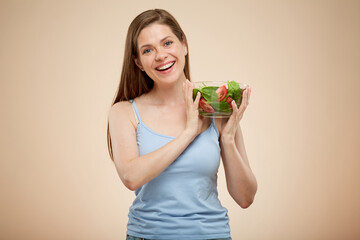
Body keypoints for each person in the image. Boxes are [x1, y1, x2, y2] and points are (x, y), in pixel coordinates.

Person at [107, 9, 257, 240]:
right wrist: (188, 133)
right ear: (137, 62)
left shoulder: (217, 107)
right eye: (148, 50)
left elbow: (245, 198)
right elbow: (131, 177)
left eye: (167, 43)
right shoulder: (124, 112)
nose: (160, 55)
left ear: (184, 45)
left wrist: (227, 138)